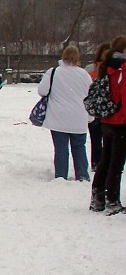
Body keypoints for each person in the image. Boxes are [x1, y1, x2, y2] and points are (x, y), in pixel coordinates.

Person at [37, 45, 92, 181]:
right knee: (79, 147)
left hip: (58, 117)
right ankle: (82, 175)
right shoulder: (84, 74)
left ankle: (61, 175)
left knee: (61, 148)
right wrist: (90, 116)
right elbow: (90, 95)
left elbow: (42, 91)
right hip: (79, 118)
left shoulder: (54, 72)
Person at [90, 36, 126, 214]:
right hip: (120, 120)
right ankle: (112, 199)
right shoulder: (121, 68)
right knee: (116, 162)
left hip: (107, 119)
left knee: (106, 159)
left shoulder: (107, 65)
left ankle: (98, 198)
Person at [85, 42, 110, 170]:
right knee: (108, 139)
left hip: (94, 108)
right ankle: (105, 162)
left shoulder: (90, 69)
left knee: (95, 139)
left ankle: (96, 162)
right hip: (108, 107)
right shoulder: (114, 68)